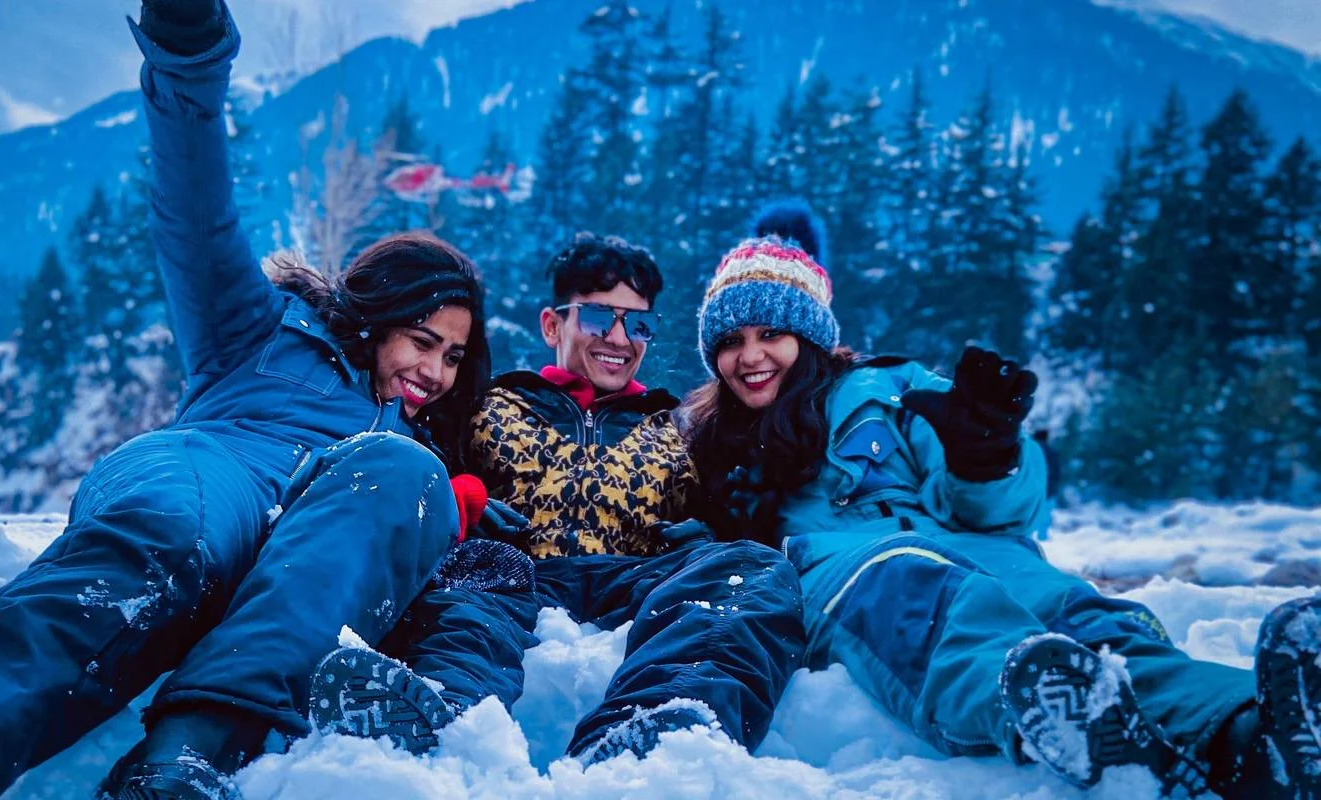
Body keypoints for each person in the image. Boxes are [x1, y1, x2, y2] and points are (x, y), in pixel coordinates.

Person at [0, 2, 492, 799]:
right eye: (422, 340)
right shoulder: (261, 329)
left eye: (454, 356)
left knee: (402, 473)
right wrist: (188, 62)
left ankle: (182, 764)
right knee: (173, 537)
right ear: (378, 315)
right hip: (213, 470)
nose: (436, 370)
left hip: (320, 525)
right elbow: (195, 215)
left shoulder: (406, 455)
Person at [679, 201, 1321, 798]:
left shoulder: (887, 388)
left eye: (771, 333)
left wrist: (986, 457)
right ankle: (1064, 715)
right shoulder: (704, 439)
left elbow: (1007, 510)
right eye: (731, 341)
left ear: (809, 334)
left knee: (1086, 617)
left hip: (976, 549)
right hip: (851, 573)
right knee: (927, 598)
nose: (750, 355)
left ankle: (1251, 728)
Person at [311, 233, 805, 764]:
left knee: (751, 569)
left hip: (633, 578)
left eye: (638, 324)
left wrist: (707, 533)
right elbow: (418, 460)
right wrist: (459, 499)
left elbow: (737, 502)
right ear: (552, 325)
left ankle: (663, 721)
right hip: (513, 573)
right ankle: (441, 713)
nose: (619, 338)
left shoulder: (680, 427)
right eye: (598, 317)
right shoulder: (486, 403)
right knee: (464, 597)